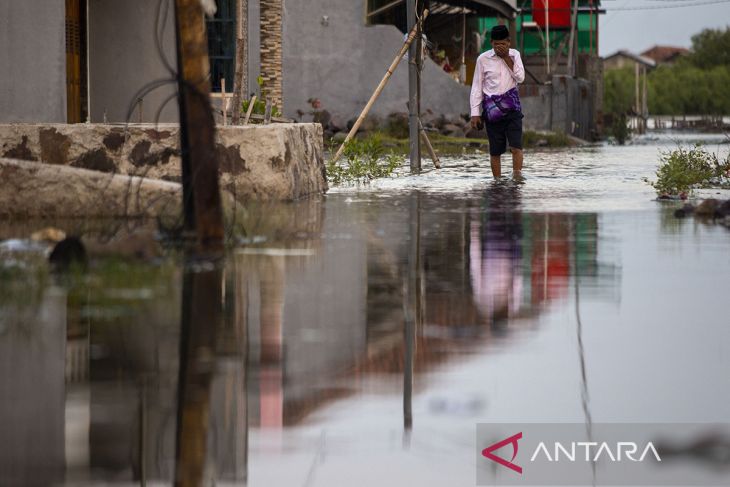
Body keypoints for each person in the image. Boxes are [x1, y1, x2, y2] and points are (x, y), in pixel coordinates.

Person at [469, 25, 525, 179]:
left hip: (512, 109)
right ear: (491, 43)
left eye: (503, 44)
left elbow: (520, 78)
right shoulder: (483, 59)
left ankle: (517, 179)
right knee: (495, 151)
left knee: (516, 147)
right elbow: (477, 86)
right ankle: (497, 182)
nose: (500, 47)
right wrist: (475, 113)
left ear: (509, 42)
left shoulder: (515, 55)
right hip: (492, 111)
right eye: (496, 44)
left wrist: (507, 58)